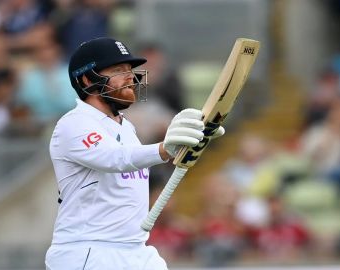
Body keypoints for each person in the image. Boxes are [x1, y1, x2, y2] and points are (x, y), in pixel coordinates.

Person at [44, 37, 224, 270]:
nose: (130, 77)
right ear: (87, 79)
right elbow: (115, 159)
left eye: (130, 70)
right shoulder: (74, 124)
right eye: (118, 70)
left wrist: (191, 141)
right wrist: (164, 148)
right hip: (88, 251)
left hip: (136, 250)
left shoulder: (126, 127)